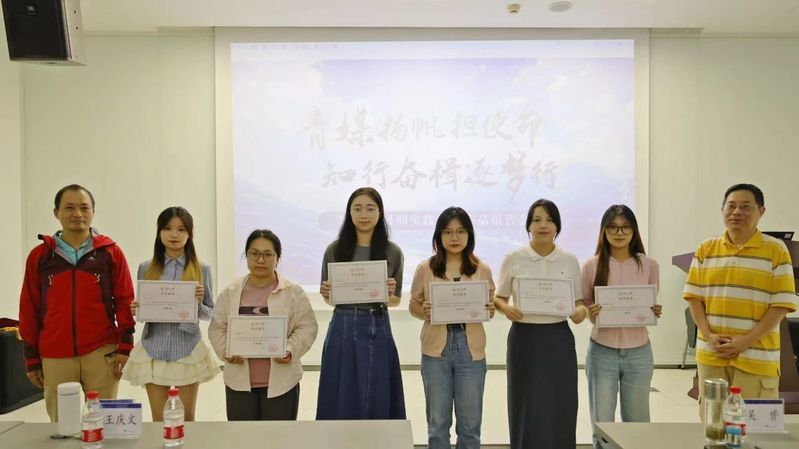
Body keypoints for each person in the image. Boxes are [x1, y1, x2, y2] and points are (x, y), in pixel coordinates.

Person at [18, 184, 135, 422]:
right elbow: (29, 307)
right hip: (55, 354)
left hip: (101, 352)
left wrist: (125, 346)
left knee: (105, 424)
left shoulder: (110, 252)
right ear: (56, 212)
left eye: (84, 207)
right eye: (69, 207)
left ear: (93, 211)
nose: (78, 214)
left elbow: (125, 300)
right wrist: (31, 357)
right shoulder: (40, 256)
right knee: (63, 426)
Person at [684, 184, 796, 408]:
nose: (737, 212)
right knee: (713, 423)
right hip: (712, 355)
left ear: (761, 211)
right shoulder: (706, 248)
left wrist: (746, 341)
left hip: (756, 356)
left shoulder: (776, 250)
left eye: (745, 207)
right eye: (731, 206)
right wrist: (708, 335)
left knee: (753, 425)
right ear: (722, 210)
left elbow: (781, 305)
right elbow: (694, 298)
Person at [494, 199, 587, 449]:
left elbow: (579, 302)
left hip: (558, 337)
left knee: (561, 400)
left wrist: (580, 312)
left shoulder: (569, 260)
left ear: (558, 226)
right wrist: (507, 309)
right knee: (525, 401)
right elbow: (499, 298)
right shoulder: (514, 258)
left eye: (549, 220)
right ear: (528, 226)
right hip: (524, 338)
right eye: (536, 220)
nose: (543, 225)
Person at [409, 207, 496, 449]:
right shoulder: (426, 268)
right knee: (437, 424)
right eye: (447, 232)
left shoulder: (482, 268)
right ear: (438, 236)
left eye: (460, 231)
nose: (454, 237)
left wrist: (488, 309)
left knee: (470, 425)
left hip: (471, 349)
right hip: (436, 350)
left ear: (469, 235)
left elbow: (490, 307)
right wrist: (424, 311)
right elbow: (413, 306)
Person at [209, 229, 318, 420]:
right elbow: (218, 327)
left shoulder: (293, 292)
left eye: (268, 254)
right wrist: (227, 350)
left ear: (277, 258)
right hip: (239, 383)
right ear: (246, 256)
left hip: (282, 383)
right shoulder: (230, 292)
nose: (260, 260)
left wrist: (290, 349)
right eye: (254, 254)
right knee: (242, 434)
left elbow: (307, 327)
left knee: (278, 435)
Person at [316, 187, 405, 420]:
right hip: (343, 323)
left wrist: (388, 293)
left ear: (380, 212)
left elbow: (396, 300)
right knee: (340, 385)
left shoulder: (393, 251)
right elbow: (328, 298)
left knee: (376, 387)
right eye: (357, 208)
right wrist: (328, 293)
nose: (364, 214)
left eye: (370, 208)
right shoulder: (334, 249)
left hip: (377, 322)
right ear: (349, 212)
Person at [123, 207, 220, 421]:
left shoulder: (201, 268)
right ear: (159, 232)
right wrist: (137, 309)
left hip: (187, 348)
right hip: (153, 347)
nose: (174, 234)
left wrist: (196, 303)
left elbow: (210, 313)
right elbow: (144, 309)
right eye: (167, 228)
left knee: (187, 418)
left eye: (181, 229)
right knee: (159, 420)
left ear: (189, 234)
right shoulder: (146, 268)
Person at [581, 204, 662, 449]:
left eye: (626, 227)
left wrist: (653, 311)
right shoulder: (591, 265)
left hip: (639, 352)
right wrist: (590, 312)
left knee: (638, 423)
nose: (619, 232)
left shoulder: (650, 265)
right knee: (602, 425)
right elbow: (584, 303)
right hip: (602, 351)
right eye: (613, 227)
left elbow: (649, 302)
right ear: (604, 231)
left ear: (634, 230)